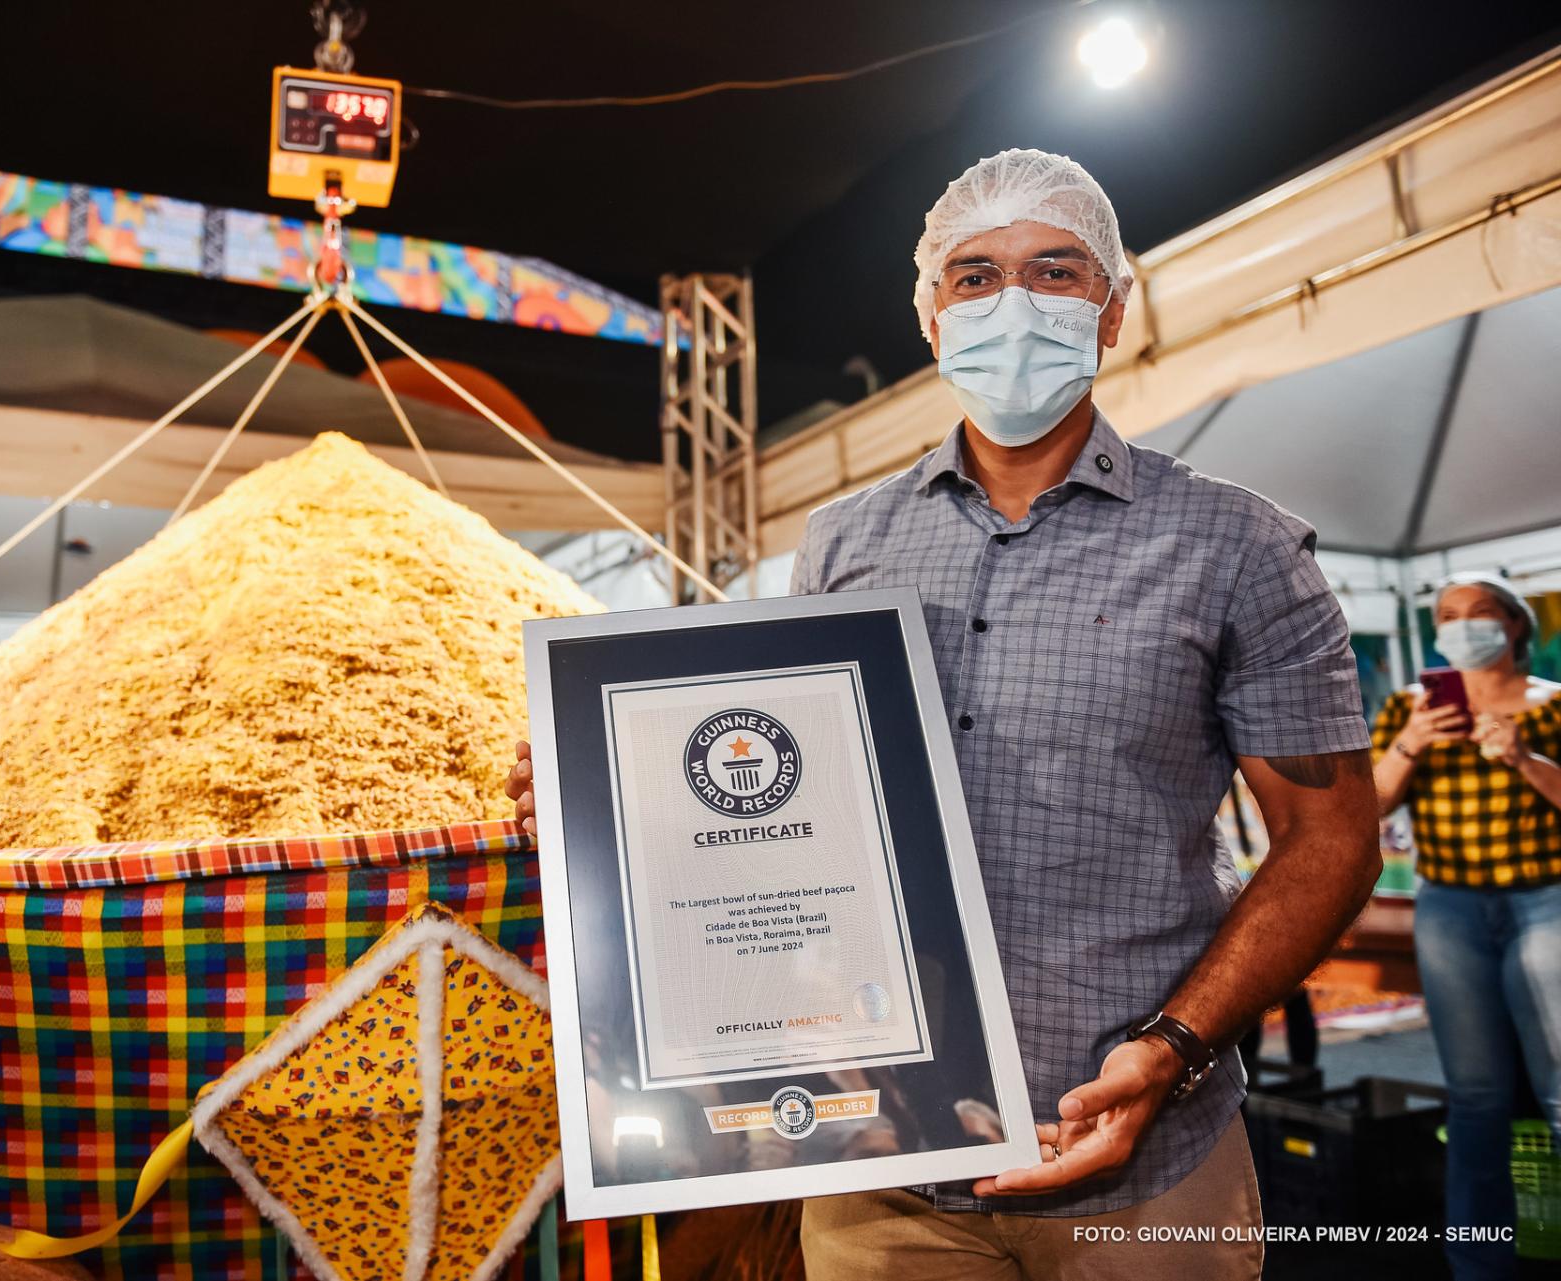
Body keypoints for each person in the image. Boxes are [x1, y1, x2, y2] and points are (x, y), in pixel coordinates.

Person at [507, 148, 1381, 1279]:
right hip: (883, 1163)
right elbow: (784, 798)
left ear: (1115, 311)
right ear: (931, 317)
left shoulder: (1239, 547)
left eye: (1055, 271)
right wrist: (607, 794)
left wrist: (1172, 1047)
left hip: (1141, 1161)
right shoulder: (845, 544)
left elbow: (1333, 837)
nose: (1012, 302)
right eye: (974, 276)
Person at [1371, 574, 1561, 1281]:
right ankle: (1480, 1263)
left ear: (1514, 625)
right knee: (1475, 1094)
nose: (1463, 626)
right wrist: (1412, 742)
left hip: (1547, 900)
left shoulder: (1550, 705)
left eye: (1479, 613)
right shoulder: (1414, 708)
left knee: (1559, 1085)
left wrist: (1522, 758)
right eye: (1448, 616)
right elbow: (1370, 803)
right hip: (1450, 906)